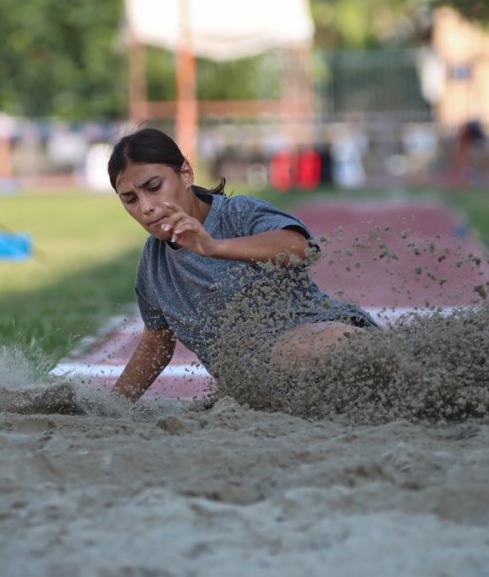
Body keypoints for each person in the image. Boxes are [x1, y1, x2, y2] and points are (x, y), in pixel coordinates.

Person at [107, 127, 379, 401]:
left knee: (295, 352)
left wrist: (215, 248)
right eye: (130, 199)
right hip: (267, 393)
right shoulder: (154, 265)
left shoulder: (237, 214)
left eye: (154, 188)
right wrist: (112, 405)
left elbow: (301, 248)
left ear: (186, 174)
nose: (145, 207)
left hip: (328, 342)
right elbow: (157, 344)